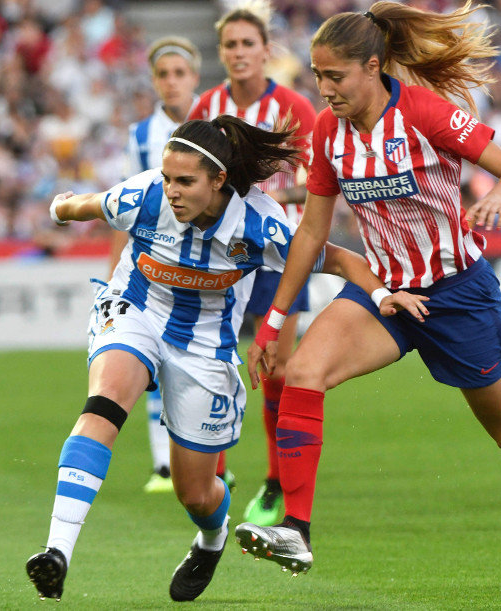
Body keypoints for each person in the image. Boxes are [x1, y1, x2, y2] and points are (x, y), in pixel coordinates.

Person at [235, 3, 501, 598]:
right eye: (317, 76)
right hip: (384, 294)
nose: (324, 89)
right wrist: (275, 318)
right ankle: (296, 529)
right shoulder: (329, 132)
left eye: (335, 76)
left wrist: (497, 197)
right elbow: (310, 233)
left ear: (373, 67)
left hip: (458, 295)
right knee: (304, 371)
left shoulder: (425, 113)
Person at [24, 115, 428, 602]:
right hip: (136, 311)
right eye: (167, 178)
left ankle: (211, 538)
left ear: (218, 180)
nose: (171, 191)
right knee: (106, 401)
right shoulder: (145, 195)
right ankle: (57, 552)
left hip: (205, 347)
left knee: (196, 494)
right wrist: (61, 207)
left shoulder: (259, 224)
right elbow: (87, 205)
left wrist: (382, 294)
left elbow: (340, 259)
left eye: (185, 181)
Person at [188, 0, 318, 526]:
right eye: (231, 45)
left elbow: (319, 182)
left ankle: (274, 481)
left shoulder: (293, 107)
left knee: (277, 369)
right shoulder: (208, 106)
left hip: (278, 254)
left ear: (266, 50)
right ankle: (216, 474)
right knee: (212, 358)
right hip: (220, 252)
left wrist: (270, 200)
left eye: (248, 44)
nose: (239, 52)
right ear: (221, 52)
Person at [108, 36, 202, 493]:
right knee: (151, 359)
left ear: (195, 77)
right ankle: (163, 464)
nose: (171, 82)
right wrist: (114, 271)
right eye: (163, 74)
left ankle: (204, 461)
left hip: (206, 261)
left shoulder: (215, 125)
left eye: (179, 73)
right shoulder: (141, 136)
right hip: (155, 262)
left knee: (198, 361)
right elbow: (124, 206)